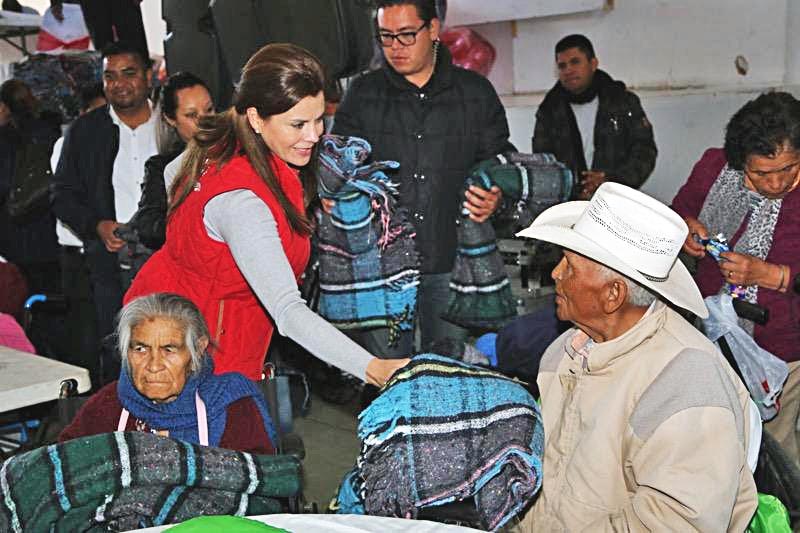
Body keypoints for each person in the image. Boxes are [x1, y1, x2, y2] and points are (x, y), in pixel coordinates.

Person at [124, 43, 407, 387]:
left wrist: (197, 244)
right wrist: (375, 368)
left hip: (169, 321)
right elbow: (288, 311)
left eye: (319, 119)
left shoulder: (222, 138)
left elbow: (172, 174)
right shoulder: (243, 204)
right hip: (199, 353)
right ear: (257, 118)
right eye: (298, 124)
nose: (315, 135)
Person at [516, 182, 756, 530]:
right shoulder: (565, 352)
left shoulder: (686, 381)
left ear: (613, 295)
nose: (555, 274)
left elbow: (677, 523)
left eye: (569, 266)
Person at [331, 0, 515, 357]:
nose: (395, 47)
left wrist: (496, 196)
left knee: (448, 374)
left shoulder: (474, 94)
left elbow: (500, 165)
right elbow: (340, 165)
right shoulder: (363, 94)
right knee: (383, 375)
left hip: (450, 262)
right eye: (386, 37)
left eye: (406, 35)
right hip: (382, 267)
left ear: (432, 30)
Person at [672, 91, 800, 467]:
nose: (776, 184)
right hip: (714, 335)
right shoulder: (715, 168)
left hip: (783, 351)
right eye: (761, 173)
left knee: (776, 451)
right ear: (739, 162)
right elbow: (680, 211)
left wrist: (771, 275)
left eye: (789, 169)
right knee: (718, 441)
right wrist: (687, 228)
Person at [52, 41, 159, 385]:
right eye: (110, 76)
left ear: (148, 76)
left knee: (171, 343)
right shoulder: (86, 131)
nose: (119, 83)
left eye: (128, 74)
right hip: (110, 265)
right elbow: (62, 195)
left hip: (166, 256)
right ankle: (121, 429)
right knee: (119, 349)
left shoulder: (170, 126)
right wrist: (95, 226)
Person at [59, 293, 276, 454]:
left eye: (169, 350)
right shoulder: (109, 404)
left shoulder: (231, 405)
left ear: (197, 349)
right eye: (140, 349)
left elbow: (259, 481)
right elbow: (63, 465)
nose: (154, 365)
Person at [532, 34, 657, 199]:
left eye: (575, 62)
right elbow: (543, 162)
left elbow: (644, 151)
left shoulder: (621, 101)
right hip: (568, 204)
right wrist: (572, 189)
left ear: (593, 64)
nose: (568, 70)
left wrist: (612, 181)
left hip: (618, 199)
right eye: (562, 66)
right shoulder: (549, 110)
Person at [125, 71, 214, 253]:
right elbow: (149, 228)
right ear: (170, 119)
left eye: (209, 109)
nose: (205, 121)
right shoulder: (162, 167)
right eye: (191, 115)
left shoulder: (238, 151)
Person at [0, 79, 61, 295]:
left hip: (12, 235)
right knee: (52, 295)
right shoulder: (50, 131)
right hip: (47, 227)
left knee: (20, 296)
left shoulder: (5, 139)